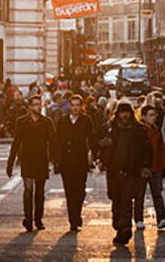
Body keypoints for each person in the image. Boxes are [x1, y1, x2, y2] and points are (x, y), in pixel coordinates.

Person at [98, 99, 152, 245]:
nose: (125, 115)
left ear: (131, 114)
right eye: (122, 112)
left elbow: (147, 150)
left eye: (127, 112)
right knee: (115, 198)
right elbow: (98, 142)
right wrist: (102, 147)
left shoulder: (139, 130)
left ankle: (125, 228)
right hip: (113, 171)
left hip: (131, 171)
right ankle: (118, 225)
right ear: (117, 114)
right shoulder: (110, 128)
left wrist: (145, 166)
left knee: (126, 201)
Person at [6, 95, 58, 231]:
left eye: (39, 104)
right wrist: (10, 162)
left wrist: (55, 161)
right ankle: (28, 218)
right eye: (35, 104)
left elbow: (53, 142)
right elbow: (16, 142)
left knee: (40, 192)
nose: (38, 107)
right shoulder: (22, 122)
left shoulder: (47, 122)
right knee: (28, 190)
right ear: (29, 107)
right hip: (27, 160)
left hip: (41, 160)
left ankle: (38, 219)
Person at [54, 94, 97, 231]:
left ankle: (77, 214)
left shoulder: (86, 120)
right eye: (72, 105)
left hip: (81, 160)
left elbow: (91, 139)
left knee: (80, 191)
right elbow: (57, 140)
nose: (75, 108)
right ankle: (73, 219)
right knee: (69, 191)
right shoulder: (62, 120)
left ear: (81, 106)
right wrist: (55, 159)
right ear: (69, 106)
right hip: (66, 161)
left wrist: (96, 157)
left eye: (77, 105)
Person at [138, 105, 165, 230]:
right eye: (150, 115)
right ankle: (138, 220)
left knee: (157, 194)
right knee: (139, 195)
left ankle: (161, 219)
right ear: (144, 117)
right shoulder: (139, 130)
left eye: (154, 115)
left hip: (156, 166)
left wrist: (164, 165)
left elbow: (161, 150)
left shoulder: (157, 131)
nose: (153, 118)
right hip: (142, 168)